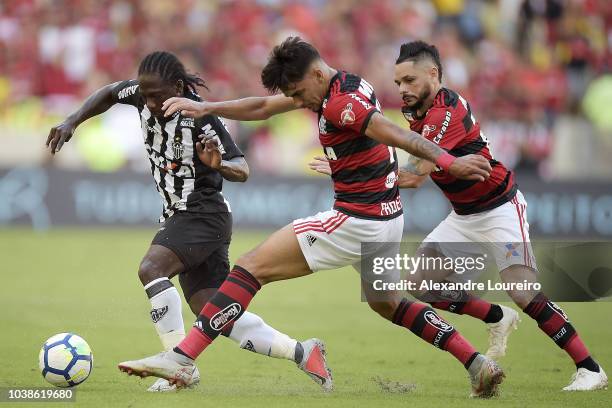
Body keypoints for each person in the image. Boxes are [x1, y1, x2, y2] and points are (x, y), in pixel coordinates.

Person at [118, 37, 505, 398]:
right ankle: (477, 364)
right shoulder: (340, 85)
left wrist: (448, 162)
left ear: (317, 75)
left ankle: (182, 359)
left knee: (250, 268)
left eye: (299, 92)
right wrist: (207, 107)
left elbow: (391, 132)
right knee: (389, 303)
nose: (298, 100)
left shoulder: (341, 103)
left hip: (356, 219)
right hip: (387, 216)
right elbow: (264, 107)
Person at [310, 40, 608, 392]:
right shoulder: (413, 112)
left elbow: (416, 172)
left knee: (522, 290)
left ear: (433, 74)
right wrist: (352, 169)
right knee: (421, 282)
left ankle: (590, 368)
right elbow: (412, 175)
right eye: (398, 83)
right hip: (465, 216)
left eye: (409, 80)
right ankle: (497, 317)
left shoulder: (446, 109)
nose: (402, 90)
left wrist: (350, 171)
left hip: (500, 208)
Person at [46, 51, 332, 393]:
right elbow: (109, 92)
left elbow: (242, 168)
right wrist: (72, 120)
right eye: (145, 95)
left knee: (151, 268)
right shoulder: (142, 92)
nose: (149, 102)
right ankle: (303, 352)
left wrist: (218, 163)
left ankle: (178, 366)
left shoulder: (203, 118)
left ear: (178, 86)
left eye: (157, 96)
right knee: (214, 312)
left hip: (202, 213)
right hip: (183, 215)